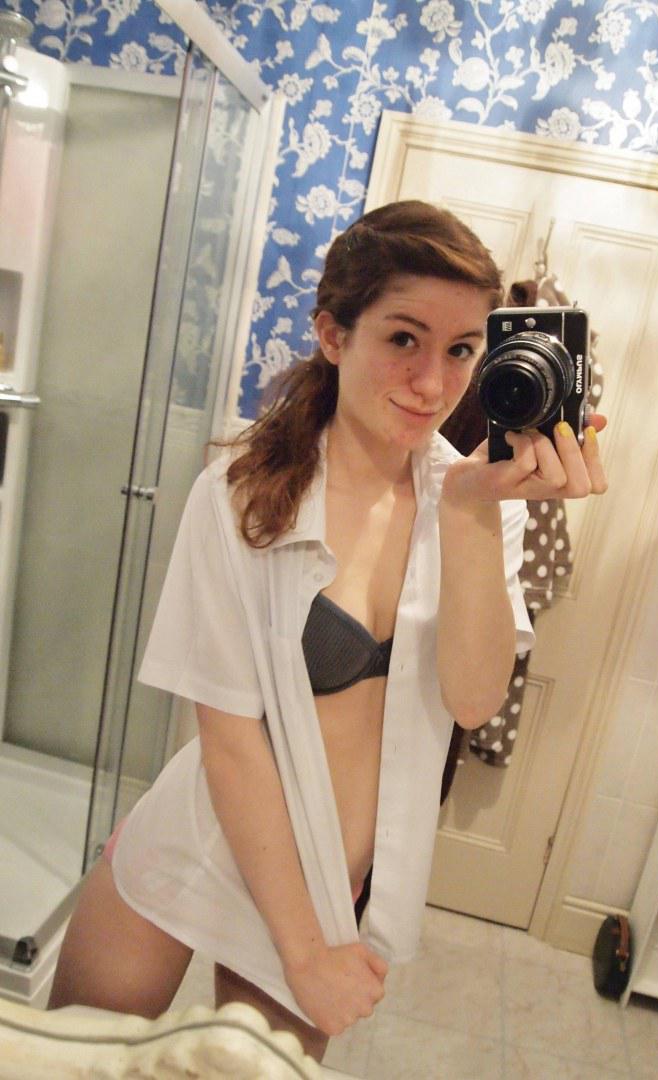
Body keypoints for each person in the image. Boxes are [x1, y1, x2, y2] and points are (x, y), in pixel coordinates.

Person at [48, 200, 607, 1061]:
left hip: (323, 889)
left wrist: (466, 515)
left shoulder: (477, 498)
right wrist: (306, 955)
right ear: (334, 334)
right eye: (404, 338)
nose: (433, 383)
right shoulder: (243, 492)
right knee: (73, 1061)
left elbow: (471, 700)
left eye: (462, 350)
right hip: (203, 844)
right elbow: (230, 741)